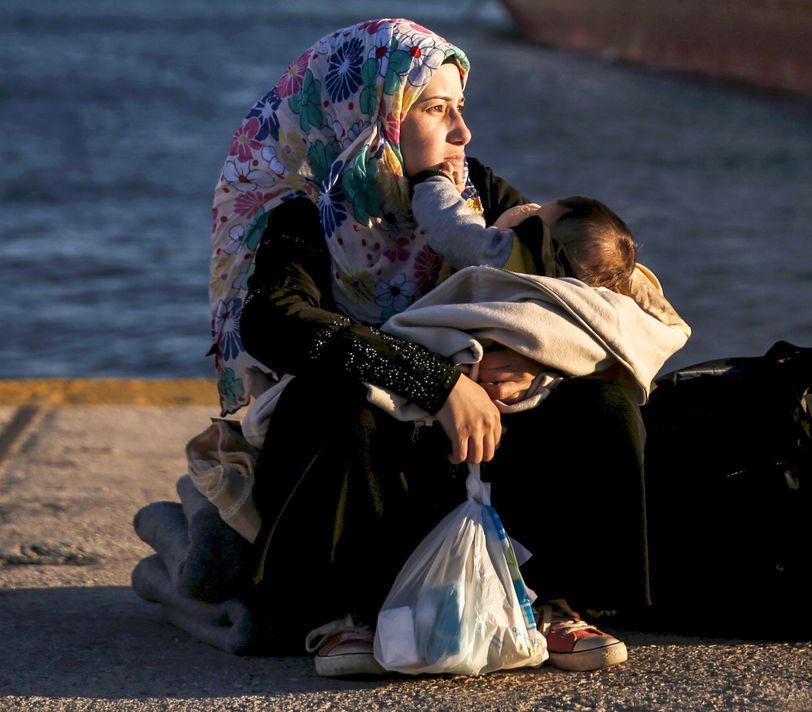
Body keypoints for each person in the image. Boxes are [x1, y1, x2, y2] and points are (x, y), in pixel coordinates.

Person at [209, 19, 673, 678]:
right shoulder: (306, 211)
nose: (462, 131)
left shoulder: (476, 191)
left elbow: (585, 288)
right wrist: (437, 382)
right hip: (373, 466)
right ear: (376, 114)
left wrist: (534, 359)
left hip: (473, 457)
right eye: (435, 109)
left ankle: (552, 598)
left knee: (600, 401)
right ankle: (345, 611)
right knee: (331, 402)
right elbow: (277, 323)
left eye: (461, 108)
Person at [410, 165, 638, 295]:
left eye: (532, 217)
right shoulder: (567, 297)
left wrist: (436, 183)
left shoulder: (513, 259)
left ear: (542, 242)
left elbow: (455, 232)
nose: (527, 208)